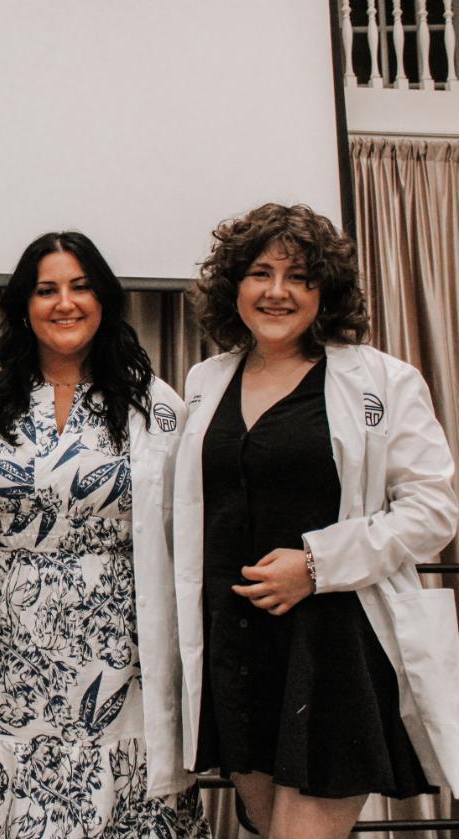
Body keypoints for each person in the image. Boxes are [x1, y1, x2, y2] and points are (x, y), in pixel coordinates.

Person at [174, 203, 459, 838]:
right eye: (260, 273)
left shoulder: (382, 380)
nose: (277, 292)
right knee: (263, 826)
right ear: (234, 286)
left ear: (324, 291)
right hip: (236, 649)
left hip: (332, 650)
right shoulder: (203, 382)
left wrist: (315, 564)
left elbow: (433, 509)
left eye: (299, 276)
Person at [0, 232, 211, 838]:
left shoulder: (155, 403)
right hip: (2, 652)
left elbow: (190, 519)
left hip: (121, 651)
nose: (64, 303)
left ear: (105, 300)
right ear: (23, 304)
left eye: (80, 287)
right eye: (46, 290)